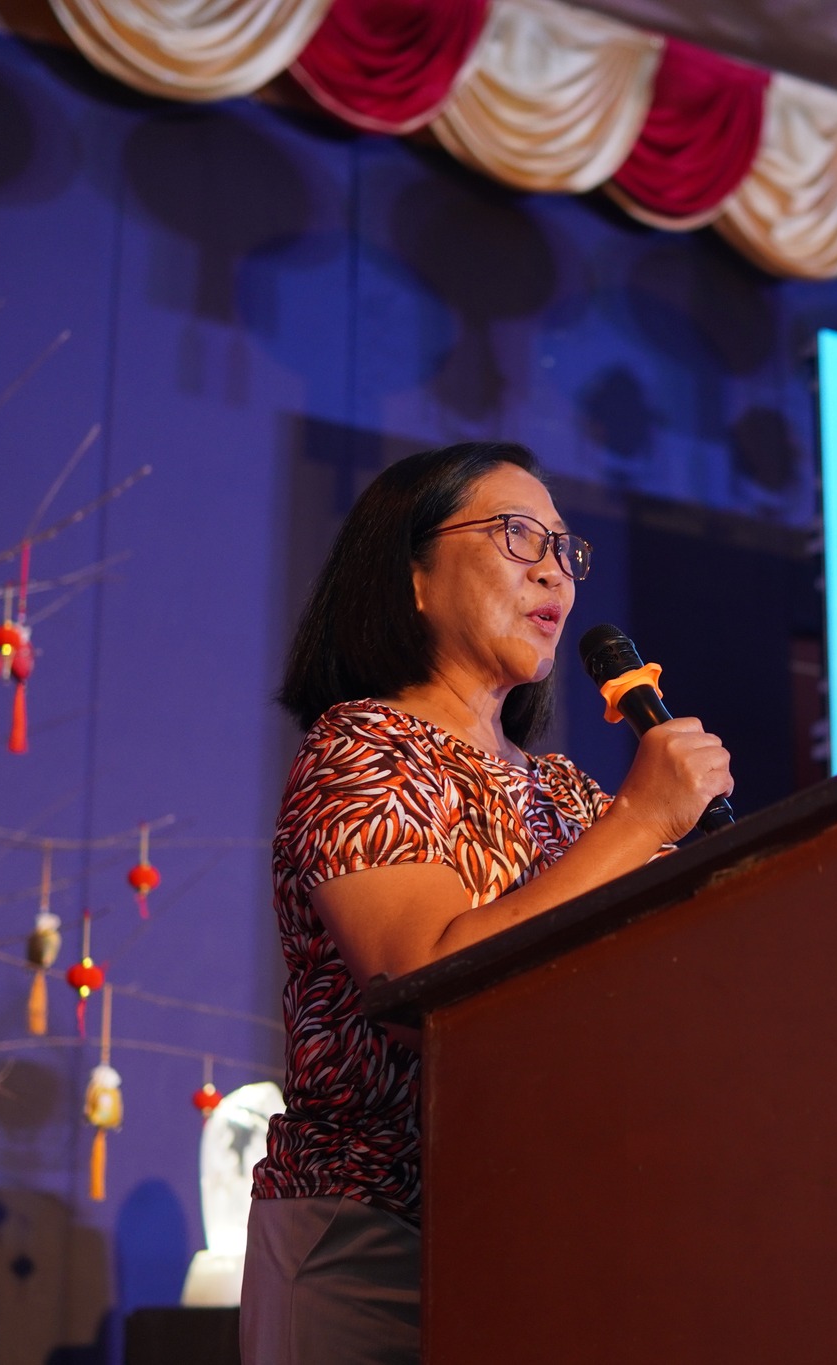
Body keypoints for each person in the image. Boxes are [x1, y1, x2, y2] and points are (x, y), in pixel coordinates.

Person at [240, 441, 733, 1364]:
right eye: (517, 536)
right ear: (414, 575)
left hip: (545, 1231)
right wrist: (638, 820)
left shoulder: (570, 795)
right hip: (377, 1237)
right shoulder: (362, 749)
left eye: (563, 548)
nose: (555, 571)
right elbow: (426, 986)